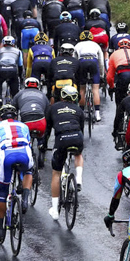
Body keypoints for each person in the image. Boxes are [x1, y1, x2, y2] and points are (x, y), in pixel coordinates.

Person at [0, 105, 35, 243]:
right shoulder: (24, 126)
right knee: (28, 170)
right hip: (24, 152)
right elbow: (30, 145)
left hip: (7, 154)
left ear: (0, 118)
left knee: (3, 194)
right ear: (16, 117)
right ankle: (24, 199)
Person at [46, 85, 86, 221]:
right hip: (77, 137)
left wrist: (43, 145)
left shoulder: (53, 107)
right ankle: (79, 178)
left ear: (61, 96)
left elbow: (48, 129)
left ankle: (55, 209)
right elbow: (81, 128)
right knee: (78, 154)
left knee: (56, 173)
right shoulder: (79, 110)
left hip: (62, 139)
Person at [15, 77, 51, 161]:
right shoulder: (43, 95)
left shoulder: (19, 94)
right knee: (42, 133)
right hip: (40, 122)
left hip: (26, 121)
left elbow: (13, 110)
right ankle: (41, 143)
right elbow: (47, 113)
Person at [106, 38, 130, 104]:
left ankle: (120, 112)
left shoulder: (113, 54)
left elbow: (110, 77)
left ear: (119, 46)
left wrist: (111, 87)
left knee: (120, 103)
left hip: (122, 75)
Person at [0, 35, 24, 106]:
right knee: (14, 84)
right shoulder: (18, 51)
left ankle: (0, 97)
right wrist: (20, 77)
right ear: (13, 43)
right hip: (12, 70)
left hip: (1, 69)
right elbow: (20, 65)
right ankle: (14, 99)